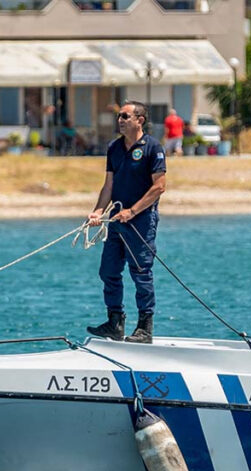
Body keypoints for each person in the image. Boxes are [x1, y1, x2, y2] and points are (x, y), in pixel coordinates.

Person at [86, 101, 167, 344]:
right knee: (108, 270)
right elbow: (108, 185)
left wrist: (132, 211)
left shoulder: (153, 147)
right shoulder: (114, 148)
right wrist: (98, 211)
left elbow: (159, 186)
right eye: (118, 116)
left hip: (141, 220)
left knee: (141, 272)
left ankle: (144, 327)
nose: (119, 120)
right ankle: (115, 322)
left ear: (139, 120)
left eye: (125, 116)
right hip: (116, 219)